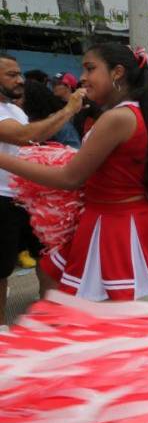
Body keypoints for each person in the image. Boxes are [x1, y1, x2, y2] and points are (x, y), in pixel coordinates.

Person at [0, 44, 148, 303]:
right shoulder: (125, 112)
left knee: (96, 311)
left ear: (118, 72)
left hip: (112, 225)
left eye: (90, 68)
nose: (83, 77)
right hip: (104, 218)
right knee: (57, 284)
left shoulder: (118, 117)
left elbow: (70, 178)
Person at [0, 54, 82, 324]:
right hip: (2, 199)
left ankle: (50, 317)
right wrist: (68, 110)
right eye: (11, 74)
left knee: (46, 257)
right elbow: (25, 136)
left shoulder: (15, 110)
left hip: (27, 197)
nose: (20, 80)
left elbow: (35, 138)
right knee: (2, 269)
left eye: (19, 73)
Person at [23, 80, 81, 149]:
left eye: (57, 84)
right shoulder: (19, 119)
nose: (54, 87)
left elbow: (74, 150)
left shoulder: (61, 125)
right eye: (53, 84)